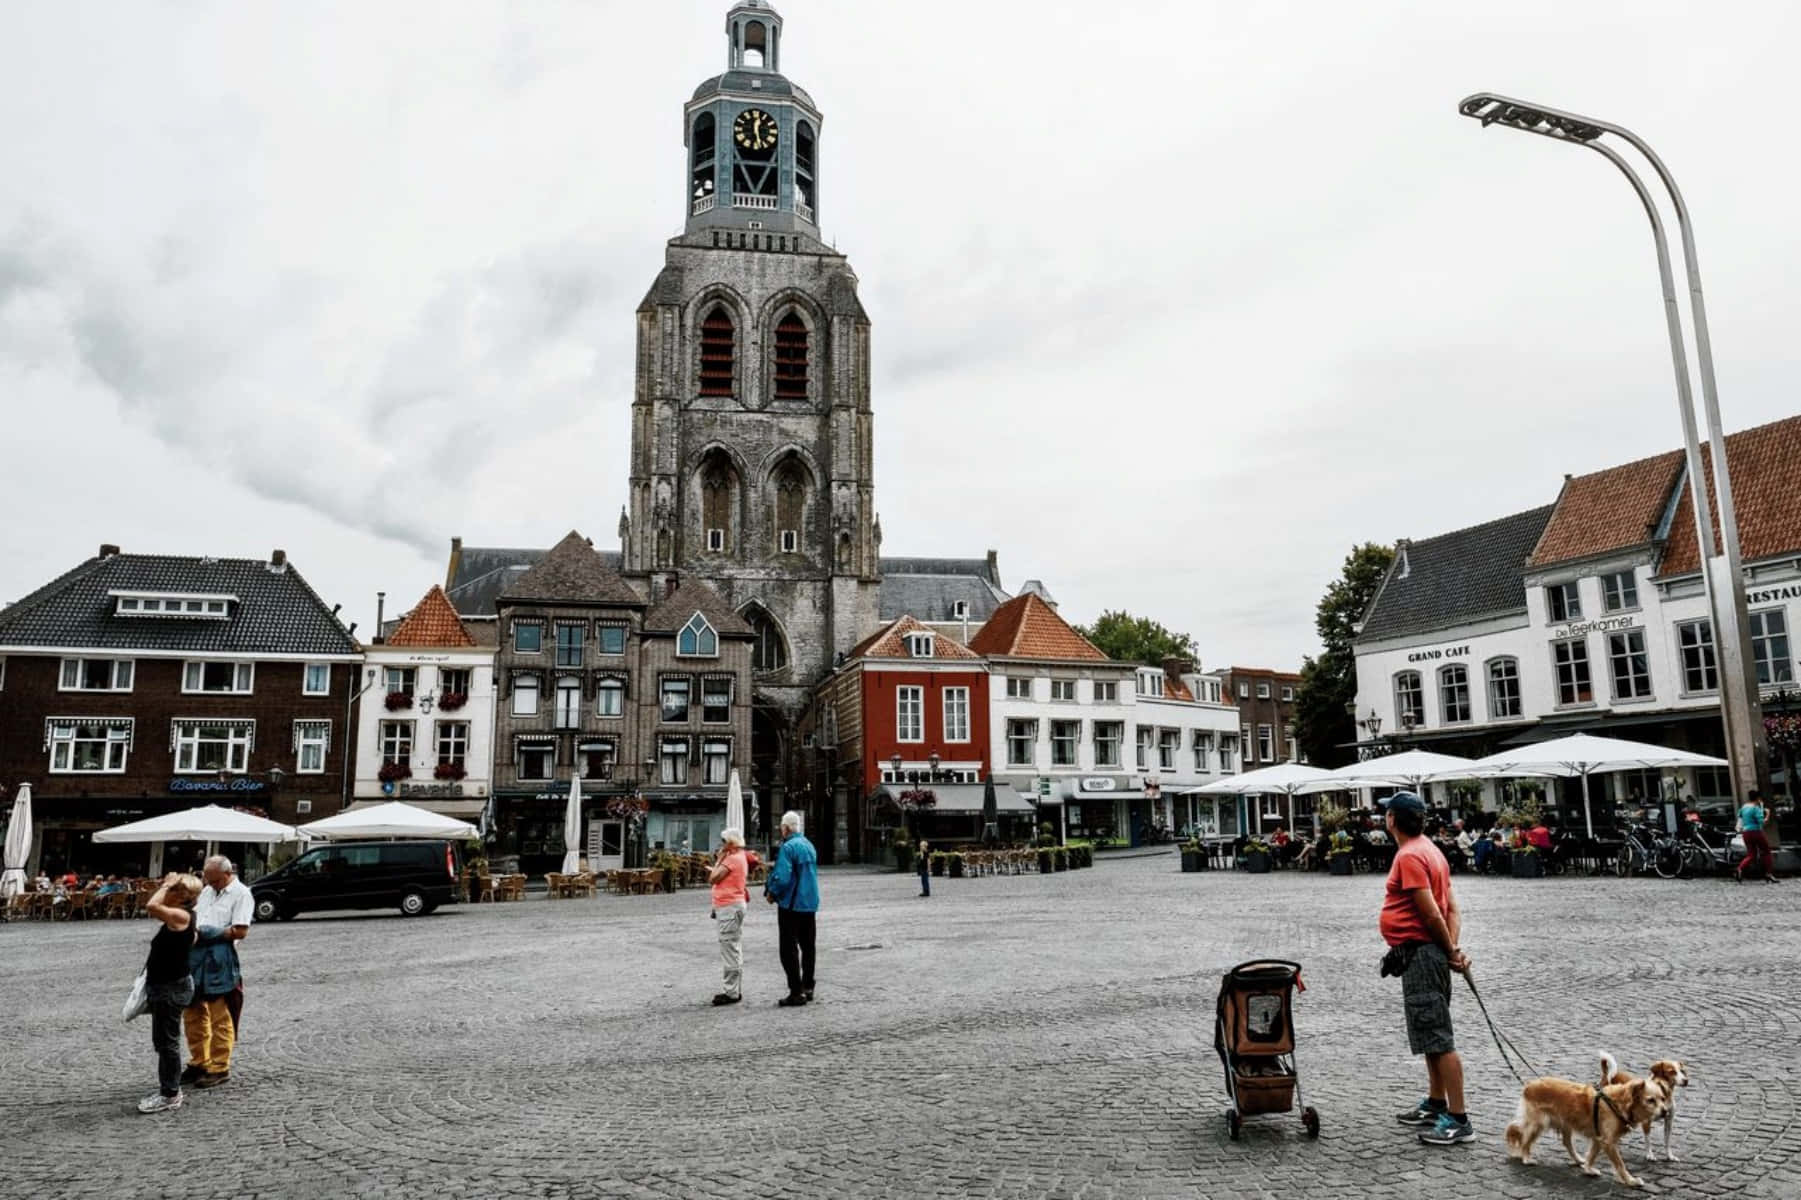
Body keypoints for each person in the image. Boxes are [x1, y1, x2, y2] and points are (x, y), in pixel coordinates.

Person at [1379, 792, 1474, 1147]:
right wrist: (1451, 949)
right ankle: (1437, 1102)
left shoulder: (1409, 856)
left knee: (1438, 1034)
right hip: (1428, 952)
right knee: (1429, 1032)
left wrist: (1448, 951)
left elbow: (1431, 911)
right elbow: (1452, 909)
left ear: (1392, 820)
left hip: (1422, 954)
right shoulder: (1431, 850)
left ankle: (1459, 1118)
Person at [183, 855, 253, 1089]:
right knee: (192, 1010)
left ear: (227, 874)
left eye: (214, 881)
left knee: (219, 1012)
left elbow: (240, 931)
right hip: (195, 955)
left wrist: (207, 933)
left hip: (219, 956)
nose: (211, 885)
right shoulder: (206, 891)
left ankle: (220, 1065)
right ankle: (199, 1060)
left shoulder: (241, 894)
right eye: (208, 881)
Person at [138, 873, 201, 1114]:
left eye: (173, 890)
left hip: (170, 989)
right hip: (168, 986)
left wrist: (165, 884)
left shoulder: (180, 916)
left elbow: (151, 905)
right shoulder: (184, 917)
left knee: (167, 1043)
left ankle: (170, 1093)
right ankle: (169, 1088)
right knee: (164, 1041)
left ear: (182, 896)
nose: (167, 892)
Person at [763, 811, 820, 1007]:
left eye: (781, 826)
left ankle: (796, 991)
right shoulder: (809, 845)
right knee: (808, 946)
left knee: (788, 949)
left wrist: (772, 892)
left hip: (792, 904)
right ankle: (808, 986)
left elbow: (782, 876)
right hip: (810, 903)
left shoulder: (788, 847)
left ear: (786, 828)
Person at [707, 828, 758, 1006]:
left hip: (729, 907)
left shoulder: (732, 859)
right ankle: (734, 989)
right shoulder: (739, 856)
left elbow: (713, 878)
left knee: (729, 948)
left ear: (730, 843)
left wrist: (720, 858)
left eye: (723, 842)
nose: (721, 845)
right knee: (733, 947)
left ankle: (731, 992)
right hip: (732, 906)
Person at [1736, 789, 1778, 884]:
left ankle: (1739, 868)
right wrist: (1767, 814)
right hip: (1755, 832)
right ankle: (1768, 874)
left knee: (1751, 854)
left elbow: (1740, 817)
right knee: (1766, 851)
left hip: (1746, 833)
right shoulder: (1756, 808)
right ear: (1758, 798)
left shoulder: (1744, 807)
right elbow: (1762, 822)